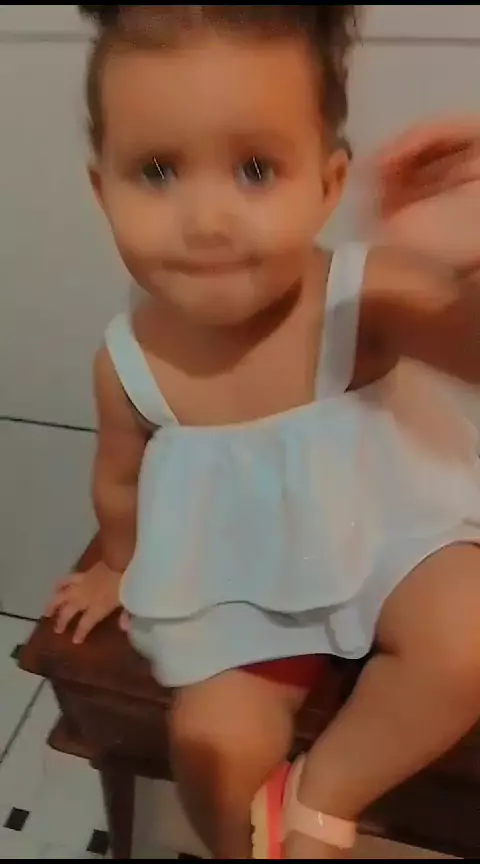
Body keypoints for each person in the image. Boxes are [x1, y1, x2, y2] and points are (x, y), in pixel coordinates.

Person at [46, 5, 480, 859]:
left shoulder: (367, 294)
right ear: (102, 191)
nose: (206, 219)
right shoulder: (128, 360)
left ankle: (327, 794)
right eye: (158, 171)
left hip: (389, 532)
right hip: (241, 570)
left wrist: (461, 261)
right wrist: (118, 565)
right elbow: (119, 480)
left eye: (254, 169)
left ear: (327, 183)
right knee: (213, 743)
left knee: (467, 637)